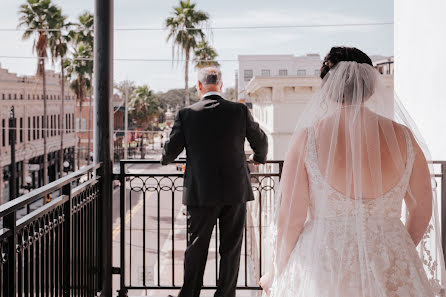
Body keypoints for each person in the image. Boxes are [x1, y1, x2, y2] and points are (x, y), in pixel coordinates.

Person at [260, 47, 446, 296]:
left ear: (327, 88)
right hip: (391, 263)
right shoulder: (403, 136)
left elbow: (291, 220)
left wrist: (277, 273)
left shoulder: (309, 139)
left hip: (325, 264)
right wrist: (395, 249)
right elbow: (422, 209)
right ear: (371, 85)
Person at [161, 66, 268, 297]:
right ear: (220, 85)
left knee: (196, 248)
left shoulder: (187, 114)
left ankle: (190, 295)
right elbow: (261, 140)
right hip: (235, 190)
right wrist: (257, 158)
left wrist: (165, 155)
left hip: (201, 191)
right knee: (231, 249)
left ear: (199, 86)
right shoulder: (239, 111)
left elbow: (169, 153)